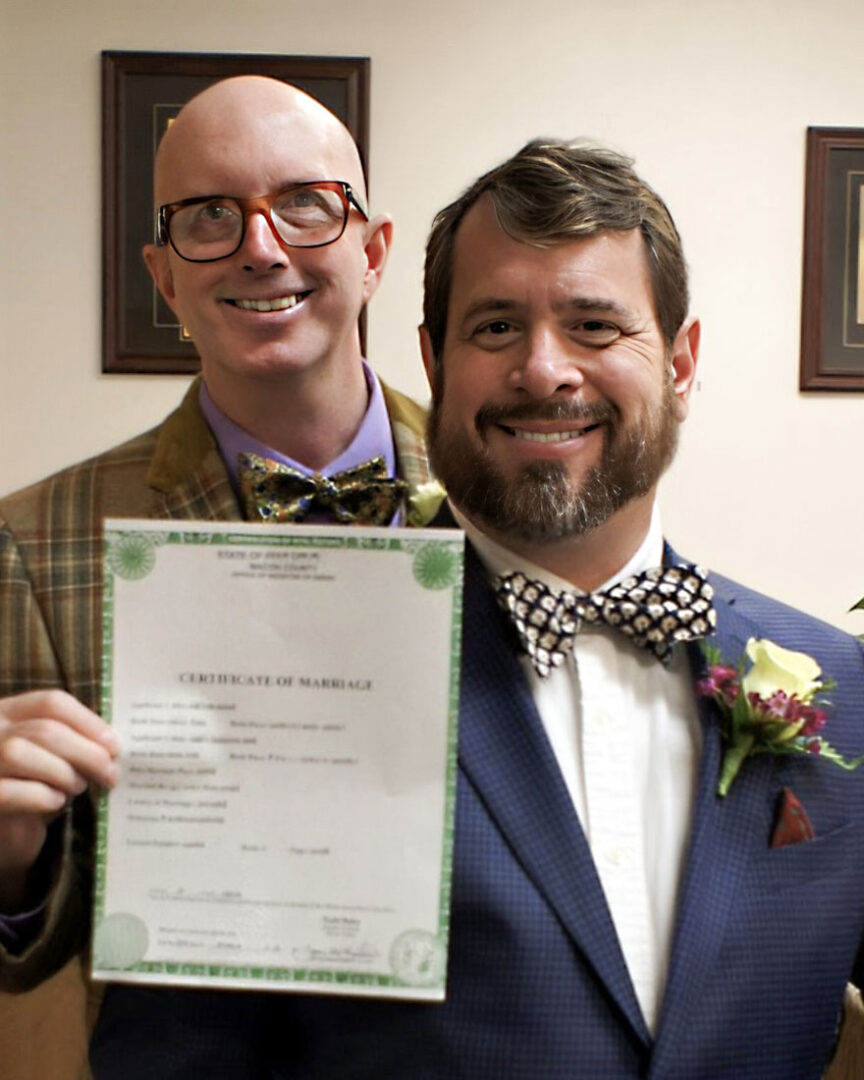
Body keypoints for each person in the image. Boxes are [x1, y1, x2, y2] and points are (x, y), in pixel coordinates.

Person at [0, 75, 439, 1078]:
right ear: (164, 278)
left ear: (373, 252)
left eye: (306, 204)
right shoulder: (32, 542)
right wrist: (11, 859)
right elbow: (29, 946)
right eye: (209, 214)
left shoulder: (503, 499)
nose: (261, 246)